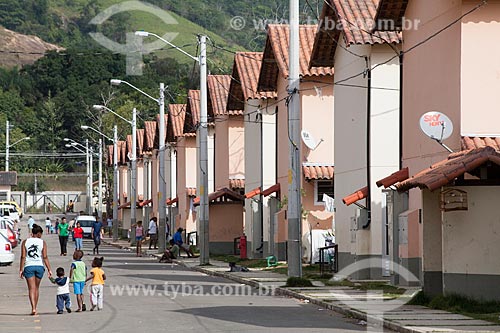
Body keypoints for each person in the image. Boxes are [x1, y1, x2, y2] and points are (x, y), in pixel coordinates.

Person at [19, 224, 53, 315]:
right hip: (39, 266)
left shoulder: (25, 242)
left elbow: (23, 256)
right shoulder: (43, 242)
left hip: (28, 266)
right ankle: (35, 307)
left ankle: (33, 307)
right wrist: (49, 269)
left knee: (31, 288)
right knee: (36, 288)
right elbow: (45, 257)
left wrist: (21, 269)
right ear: (38, 234)